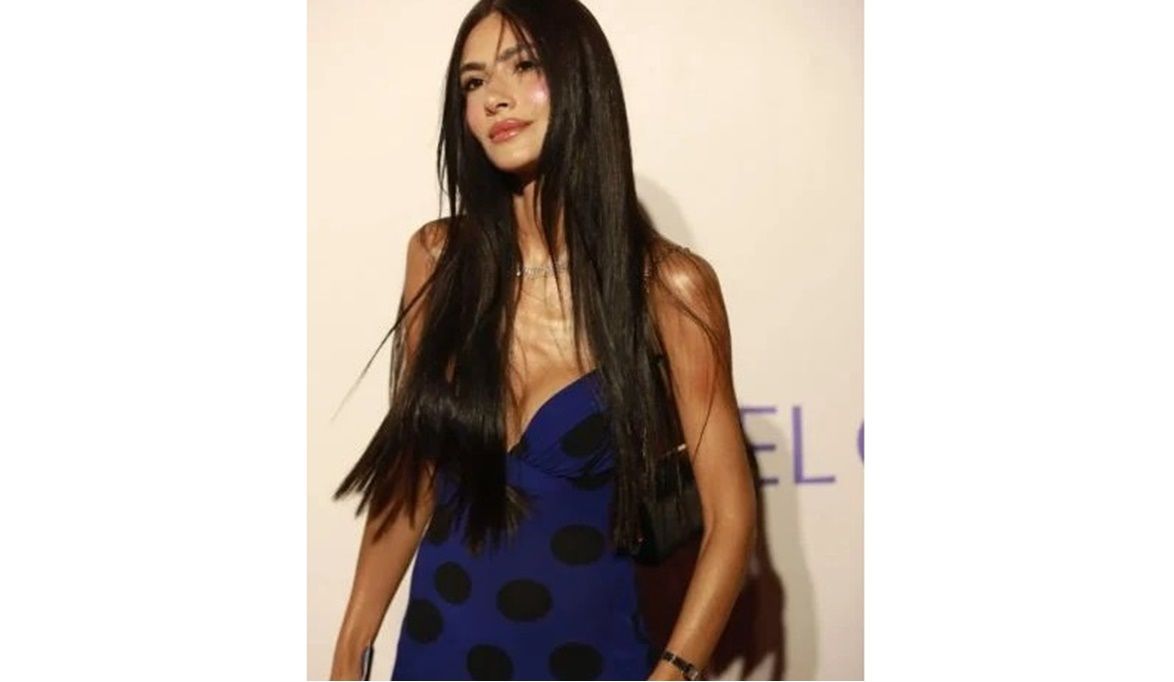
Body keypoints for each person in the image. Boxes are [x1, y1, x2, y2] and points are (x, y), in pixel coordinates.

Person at [329, 1, 757, 679]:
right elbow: (414, 474)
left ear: (581, 78)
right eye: (473, 82)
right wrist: (350, 649)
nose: (493, 96)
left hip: (592, 660)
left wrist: (674, 672)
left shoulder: (668, 287)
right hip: (439, 653)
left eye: (523, 65)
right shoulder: (440, 261)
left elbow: (730, 517)